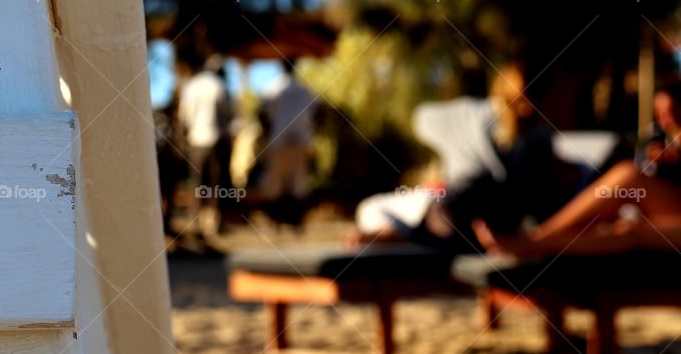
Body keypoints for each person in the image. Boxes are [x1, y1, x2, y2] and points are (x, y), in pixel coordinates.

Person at [344, 62, 587, 249]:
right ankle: (398, 233)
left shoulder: (482, 117)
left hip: (453, 211)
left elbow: (420, 118)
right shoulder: (539, 139)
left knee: (371, 206)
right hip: (479, 226)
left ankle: (394, 233)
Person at [476, 83, 681, 256]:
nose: (665, 120)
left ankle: (533, 241)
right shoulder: (660, 137)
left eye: (671, 112)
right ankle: (534, 244)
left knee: (627, 183)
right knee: (624, 226)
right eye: (660, 113)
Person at [179, 57, 234, 229]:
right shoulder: (219, 85)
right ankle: (213, 219)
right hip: (216, 139)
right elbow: (229, 114)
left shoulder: (192, 86)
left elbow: (185, 115)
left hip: (197, 140)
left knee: (198, 181)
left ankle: (195, 219)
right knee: (216, 182)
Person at [259, 59, 318, 203]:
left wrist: (266, 134)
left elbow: (262, 113)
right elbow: (318, 112)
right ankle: (293, 216)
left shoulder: (273, 87)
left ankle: (279, 216)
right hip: (301, 140)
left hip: (278, 140)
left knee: (275, 179)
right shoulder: (304, 89)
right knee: (298, 180)